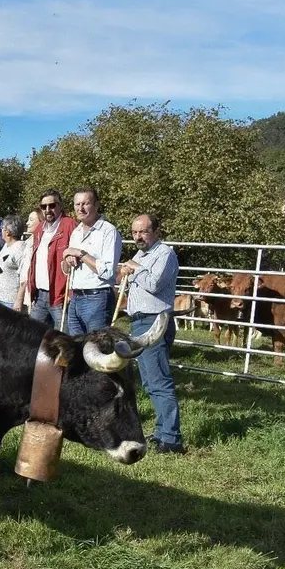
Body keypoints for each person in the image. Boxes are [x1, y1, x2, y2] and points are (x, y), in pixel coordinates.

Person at [120, 213, 185, 454]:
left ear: (156, 232)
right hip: (139, 321)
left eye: (143, 231)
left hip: (155, 321)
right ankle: (161, 432)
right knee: (149, 380)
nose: (138, 236)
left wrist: (135, 267)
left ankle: (171, 439)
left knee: (159, 381)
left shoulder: (164, 253)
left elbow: (155, 283)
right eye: (135, 232)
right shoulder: (142, 254)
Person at [61, 186, 122, 334]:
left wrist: (81, 253)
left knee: (97, 349)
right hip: (75, 297)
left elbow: (107, 271)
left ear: (96, 205)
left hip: (98, 297)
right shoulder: (76, 232)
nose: (80, 208)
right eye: (77, 204)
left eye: (85, 204)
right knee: (76, 349)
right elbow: (66, 271)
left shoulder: (108, 231)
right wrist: (66, 259)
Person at [27, 190, 76, 328]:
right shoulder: (39, 230)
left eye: (52, 205)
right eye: (44, 206)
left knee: (64, 339)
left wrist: (70, 293)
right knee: (33, 337)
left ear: (60, 206)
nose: (48, 210)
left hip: (60, 296)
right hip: (40, 295)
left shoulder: (69, 225)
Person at [0, 215, 27, 310]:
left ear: (7, 231)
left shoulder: (20, 248)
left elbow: (25, 276)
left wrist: (19, 301)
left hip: (10, 301)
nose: (1, 230)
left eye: (2, 228)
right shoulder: (6, 246)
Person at [18, 208, 42, 313]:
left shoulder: (41, 243)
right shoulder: (28, 242)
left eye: (31, 220)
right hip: (26, 295)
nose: (27, 223)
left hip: (36, 295)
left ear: (42, 221)